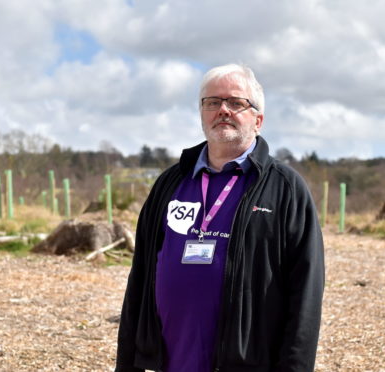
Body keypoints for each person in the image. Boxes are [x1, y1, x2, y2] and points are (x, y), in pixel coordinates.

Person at [115, 64, 324, 372]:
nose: (222, 110)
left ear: (258, 120)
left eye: (236, 102)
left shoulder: (286, 189)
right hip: (168, 361)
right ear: (202, 113)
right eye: (212, 102)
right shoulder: (170, 183)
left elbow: (305, 292)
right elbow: (141, 279)